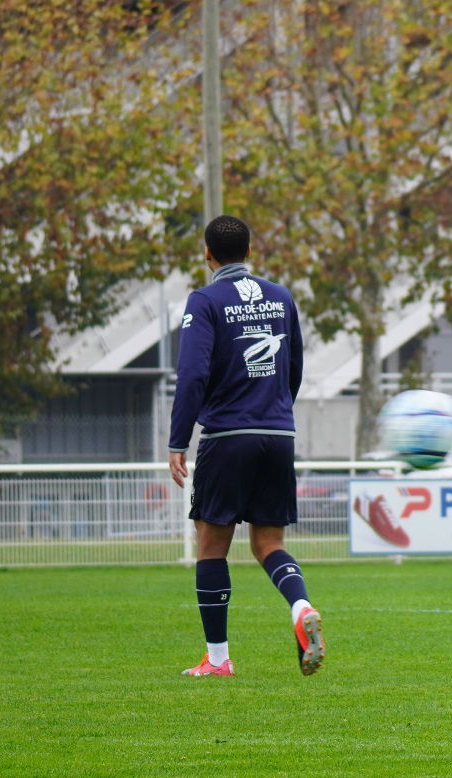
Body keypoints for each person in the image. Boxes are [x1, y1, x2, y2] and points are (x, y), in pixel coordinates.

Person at [167, 214, 324, 677]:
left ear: (207, 255)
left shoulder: (205, 300)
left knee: (212, 546)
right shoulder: (281, 297)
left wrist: (179, 439)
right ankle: (299, 607)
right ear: (251, 252)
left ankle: (218, 659)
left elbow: (192, 375)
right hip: (278, 434)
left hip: (228, 436)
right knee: (268, 542)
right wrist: (274, 411)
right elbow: (293, 366)